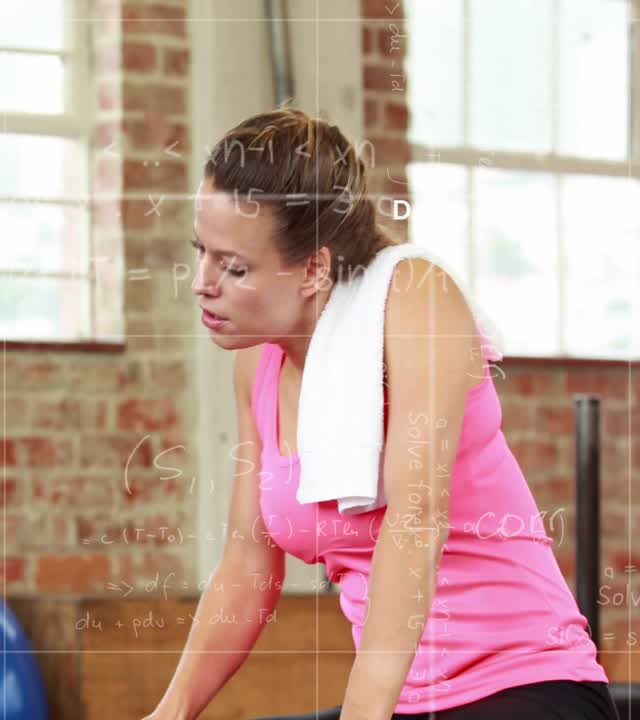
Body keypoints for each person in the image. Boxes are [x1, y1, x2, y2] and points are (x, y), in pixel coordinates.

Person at [146, 108, 616, 720]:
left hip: (526, 685)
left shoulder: (415, 299)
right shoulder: (257, 365)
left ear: (314, 267)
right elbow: (248, 561)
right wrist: (172, 711)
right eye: (201, 254)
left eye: (234, 267)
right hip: (403, 702)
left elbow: (416, 516)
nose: (202, 284)